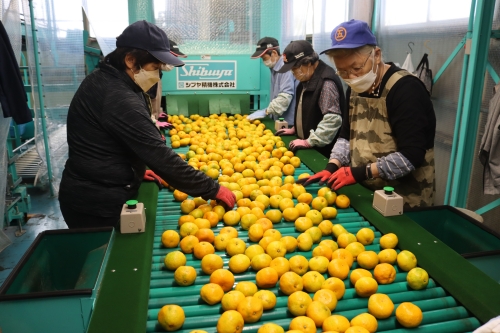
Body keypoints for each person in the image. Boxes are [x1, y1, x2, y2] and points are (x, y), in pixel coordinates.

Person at [59, 21, 235, 229]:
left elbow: (107, 141)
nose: (158, 74)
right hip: (94, 204)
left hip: (96, 187)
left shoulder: (112, 80)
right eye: (155, 67)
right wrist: (213, 189)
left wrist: (135, 169)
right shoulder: (117, 96)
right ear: (130, 60)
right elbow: (159, 156)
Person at [299, 19, 436, 209]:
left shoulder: (406, 90)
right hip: (366, 195)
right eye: (342, 71)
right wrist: (333, 165)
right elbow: (346, 136)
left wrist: (359, 172)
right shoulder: (354, 88)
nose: (351, 77)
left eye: (356, 68)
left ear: (376, 55)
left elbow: (411, 155)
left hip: (404, 201)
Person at [275, 40, 346, 158]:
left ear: (308, 63)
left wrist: (309, 141)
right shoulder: (307, 77)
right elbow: (307, 109)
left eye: (295, 68)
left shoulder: (326, 82)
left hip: (322, 154)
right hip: (309, 150)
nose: (293, 72)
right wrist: (296, 129)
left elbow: (332, 120)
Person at [248, 37, 298, 126]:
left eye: (264, 58)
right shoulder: (274, 68)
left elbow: (285, 97)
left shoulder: (285, 68)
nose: (264, 61)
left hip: (289, 124)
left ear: (274, 53)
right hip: (279, 121)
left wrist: (266, 111)